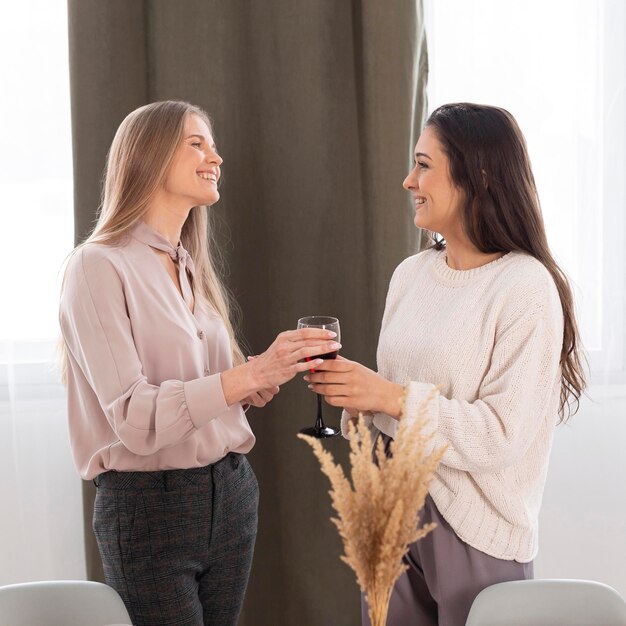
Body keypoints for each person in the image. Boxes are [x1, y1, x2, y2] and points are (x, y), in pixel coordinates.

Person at [59, 100, 341, 626]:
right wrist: (246, 377)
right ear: (149, 155)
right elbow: (135, 418)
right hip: (148, 509)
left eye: (212, 144)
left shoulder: (190, 266)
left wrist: (258, 378)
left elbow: (209, 387)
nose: (216, 156)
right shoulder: (98, 266)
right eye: (197, 143)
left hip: (231, 493)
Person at [307, 103, 586, 626]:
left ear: (478, 174)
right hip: (390, 513)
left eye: (424, 165)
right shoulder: (411, 274)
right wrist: (355, 399)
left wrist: (386, 396)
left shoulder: (524, 287)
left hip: (474, 529)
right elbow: (392, 407)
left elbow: (503, 435)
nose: (408, 180)